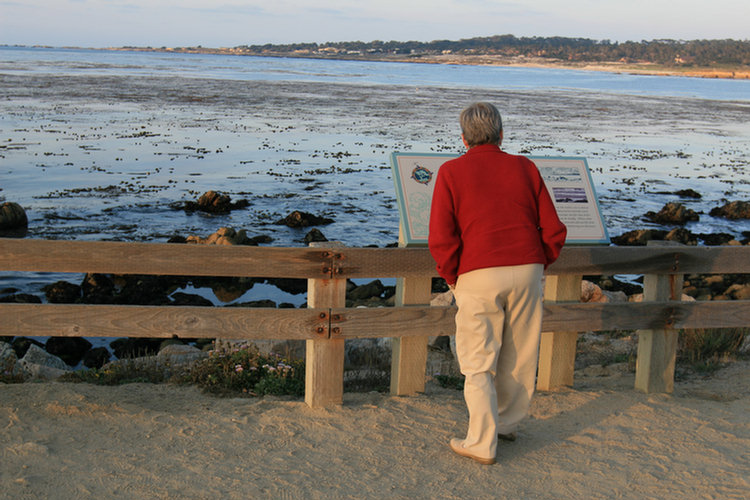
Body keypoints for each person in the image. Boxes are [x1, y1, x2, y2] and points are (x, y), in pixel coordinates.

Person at [428, 102, 567, 465]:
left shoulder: (451, 171)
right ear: (501, 133)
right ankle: (506, 424)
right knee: (520, 353)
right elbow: (553, 228)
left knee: (477, 359)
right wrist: (543, 262)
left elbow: (441, 237)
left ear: (463, 138)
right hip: (527, 266)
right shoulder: (524, 167)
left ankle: (481, 440)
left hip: (478, 271)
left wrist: (452, 277)